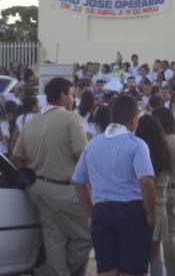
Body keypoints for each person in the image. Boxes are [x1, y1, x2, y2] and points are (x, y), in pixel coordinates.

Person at [11, 77, 92, 276]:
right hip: (65, 190)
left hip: (38, 188)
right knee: (88, 235)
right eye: (71, 94)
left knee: (54, 239)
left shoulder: (32, 121)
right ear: (63, 95)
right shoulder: (70, 119)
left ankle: (55, 272)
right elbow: (83, 155)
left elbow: (17, 158)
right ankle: (51, 272)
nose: (73, 99)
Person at [71, 94, 155, 276]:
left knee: (107, 270)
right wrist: (150, 214)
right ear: (134, 120)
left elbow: (78, 181)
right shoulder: (137, 145)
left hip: (102, 211)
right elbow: (146, 182)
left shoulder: (92, 145)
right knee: (132, 270)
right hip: (131, 211)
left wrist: (90, 212)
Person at [136, 115, 171, 276]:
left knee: (138, 251)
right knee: (156, 251)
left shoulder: (137, 149)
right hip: (160, 205)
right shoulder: (164, 150)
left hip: (139, 204)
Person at [152, 107, 175, 276]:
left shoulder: (153, 140)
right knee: (172, 235)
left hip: (157, 190)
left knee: (156, 236)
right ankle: (173, 272)